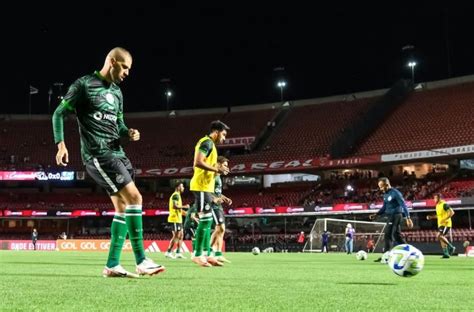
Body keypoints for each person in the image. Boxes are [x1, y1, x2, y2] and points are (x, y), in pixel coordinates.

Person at [52, 47, 164, 278]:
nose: (127, 73)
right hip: (98, 153)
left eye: (129, 69)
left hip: (118, 152)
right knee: (135, 197)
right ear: (112, 62)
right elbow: (58, 114)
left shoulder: (118, 93)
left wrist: (128, 132)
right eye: (124, 67)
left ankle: (112, 264)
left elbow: (119, 125)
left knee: (122, 207)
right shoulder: (84, 85)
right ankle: (142, 260)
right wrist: (61, 144)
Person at [189, 120, 230, 267]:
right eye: (223, 135)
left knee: (207, 221)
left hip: (206, 188)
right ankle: (197, 254)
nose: (224, 138)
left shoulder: (211, 145)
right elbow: (197, 162)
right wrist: (216, 170)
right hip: (200, 186)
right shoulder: (206, 143)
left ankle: (206, 254)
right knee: (205, 220)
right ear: (216, 132)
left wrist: (218, 169)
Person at [370, 177, 413, 262]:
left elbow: (404, 205)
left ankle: (386, 256)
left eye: (382, 186)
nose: (380, 189)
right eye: (380, 187)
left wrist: (408, 218)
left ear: (387, 185)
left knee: (388, 234)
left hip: (397, 215)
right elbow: (384, 207)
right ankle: (410, 252)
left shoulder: (396, 193)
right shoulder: (385, 194)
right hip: (390, 216)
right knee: (397, 236)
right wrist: (376, 214)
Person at [209, 156, 233, 263]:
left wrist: (225, 198)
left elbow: (217, 192)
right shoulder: (212, 175)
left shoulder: (218, 176)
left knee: (221, 229)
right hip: (213, 205)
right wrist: (214, 199)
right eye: (225, 165)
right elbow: (206, 190)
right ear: (218, 164)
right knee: (220, 228)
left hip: (219, 206)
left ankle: (217, 253)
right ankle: (209, 251)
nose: (227, 168)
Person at [165, 182, 190, 259]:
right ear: (178, 187)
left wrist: (187, 214)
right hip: (174, 218)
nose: (183, 188)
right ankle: (168, 252)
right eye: (182, 186)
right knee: (176, 236)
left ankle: (178, 252)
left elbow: (179, 209)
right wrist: (184, 206)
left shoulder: (178, 196)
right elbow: (174, 206)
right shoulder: (175, 195)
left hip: (179, 219)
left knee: (181, 235)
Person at [426, 193, 455, 258]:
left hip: (446, 223)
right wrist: (431, 217)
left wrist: (445, 219)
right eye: (434, 198)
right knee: (441, 238)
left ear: (439, 198)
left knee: (439, 236)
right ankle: (446, 254)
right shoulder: (437, 206)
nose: (434, 199)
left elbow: (452, 212)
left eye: (435, 198)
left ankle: (451, 247)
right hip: (440, 224)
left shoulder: (444, 204)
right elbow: (439, 216)